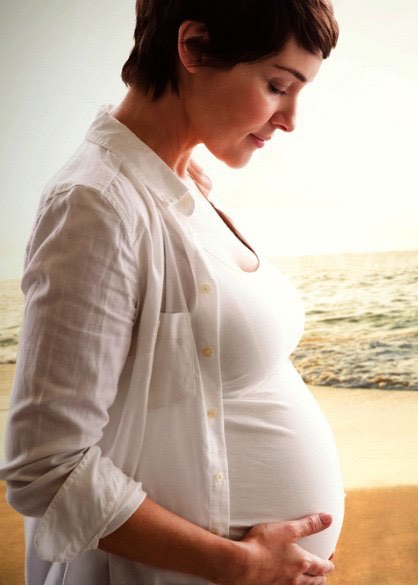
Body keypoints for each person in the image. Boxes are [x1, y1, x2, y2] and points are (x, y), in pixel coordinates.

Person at [0, 1, 343, 583]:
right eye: (278, 85)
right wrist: (241, 564)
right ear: (194, 48)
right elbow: (46, 468)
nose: (290, 118)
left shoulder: (183, 181)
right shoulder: (96, 205)